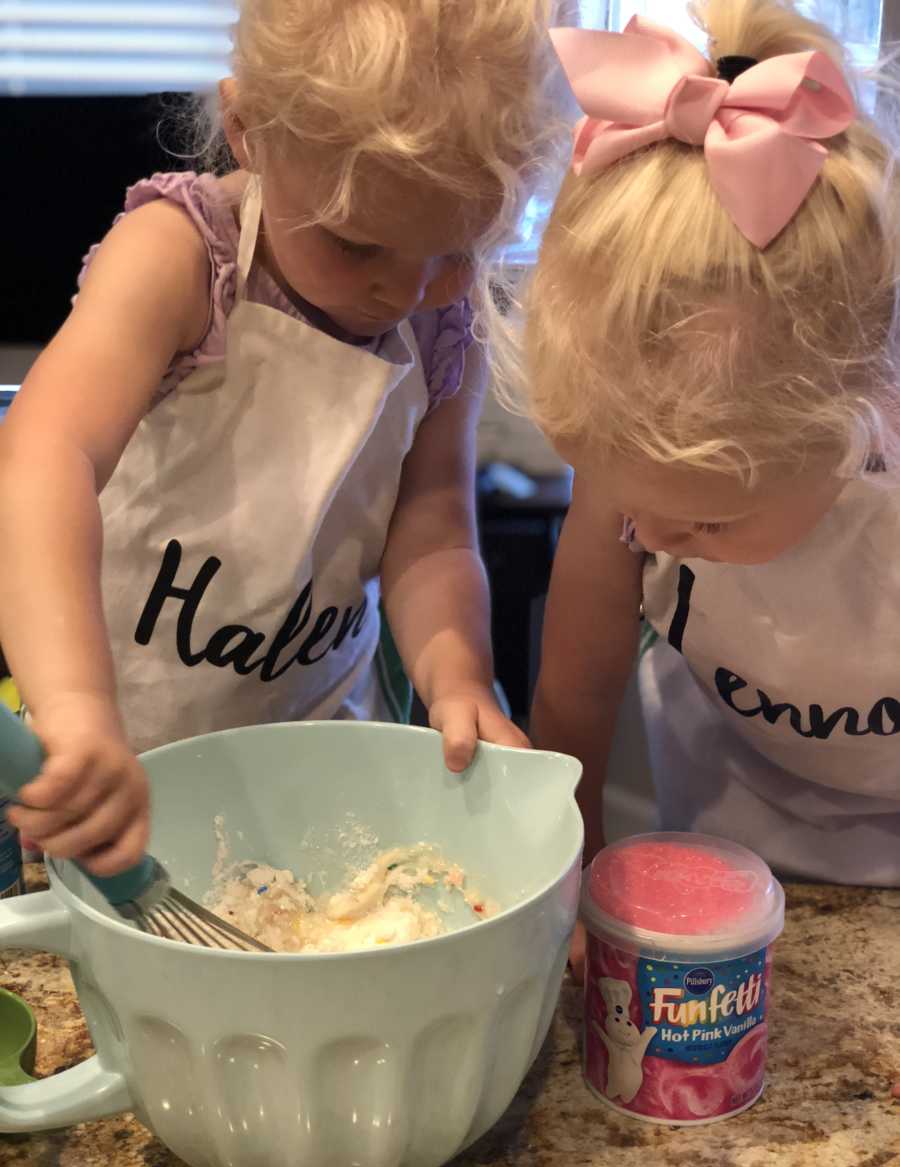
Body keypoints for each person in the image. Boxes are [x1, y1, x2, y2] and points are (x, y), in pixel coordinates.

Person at [0, 0, 564, 876]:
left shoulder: (446, 321)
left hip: (316, 753)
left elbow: (435, 530)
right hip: (117, 765)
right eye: (353, 245)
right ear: (248, 130)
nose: (402, 293)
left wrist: (458, 677)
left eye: (456, 250)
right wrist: (73, 708)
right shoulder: (183, 258)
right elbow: (42, 458)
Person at [513, 0, 900, 909]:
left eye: (708, 518)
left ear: (855, 418)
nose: (653, 535)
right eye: (630, 504)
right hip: (729, 835)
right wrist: (564, 864)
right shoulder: (642, 475)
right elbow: (574, 697)